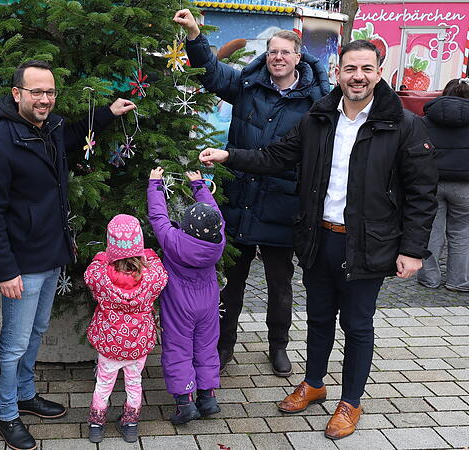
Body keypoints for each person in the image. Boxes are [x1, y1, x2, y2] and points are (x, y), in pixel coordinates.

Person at [199, 40, 437, 440]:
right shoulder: (319, 117)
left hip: (367, 242)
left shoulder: (402, 125)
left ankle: (351, 401)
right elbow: (277, 156)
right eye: (349, 69)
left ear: (379, 72)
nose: (357, 76)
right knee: (318, 318)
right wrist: (231, 157)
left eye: (365, 68)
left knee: (357, 324)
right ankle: (313, 383)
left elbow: (422, 192)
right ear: (337, 72)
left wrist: (412, 250)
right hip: (318, 237)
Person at [0, 60, 136, 450]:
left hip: (51, 256)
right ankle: (7, 413)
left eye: (49, 92)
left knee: (36, 332)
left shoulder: (50, 129)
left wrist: (107, 114)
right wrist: (5, 269)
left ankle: (26, 394)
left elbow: (77, 133)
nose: (45, 99)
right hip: (21, 265)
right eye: (36, 92)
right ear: (17, 95)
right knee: (13, 343)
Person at [173, 9, 331, 377]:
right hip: (240, 198)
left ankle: (278, 345)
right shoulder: (247, 84)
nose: (278, 57)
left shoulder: (315, 101)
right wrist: (196, 34)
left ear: (298, 57)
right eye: (273, 51)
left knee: (280, 284)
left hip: (282, 201)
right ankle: (224, 343)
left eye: (285, 52)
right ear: (267, 54)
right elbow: (211, 74)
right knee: (232, 280)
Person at [147, 167, 227, 425]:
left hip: (179, 305)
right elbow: (217, 214)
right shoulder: (218, 240)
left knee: (178, 349)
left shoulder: (173, 240)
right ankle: (207, 398)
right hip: (208, 302)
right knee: (206, 347)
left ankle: (185, 403)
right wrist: (200, 186)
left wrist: (155, 185)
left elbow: (158, 216)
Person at [84, 214, 168, 444]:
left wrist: (104, 257)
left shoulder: (101, 276)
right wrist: (147, 254)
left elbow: (90, 272)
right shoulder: (151, 276)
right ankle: (130, 424)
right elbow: (162, 273)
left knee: (103, 382)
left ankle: (96, 425)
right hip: (137, 344)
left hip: (110, 343)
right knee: (134, 382)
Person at [416, 78, 469, 292]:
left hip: (431, 183)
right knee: (462, 232)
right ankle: (459, 281)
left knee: (430, 230)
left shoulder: (425, 119)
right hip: (465, 186)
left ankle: (429, 278)